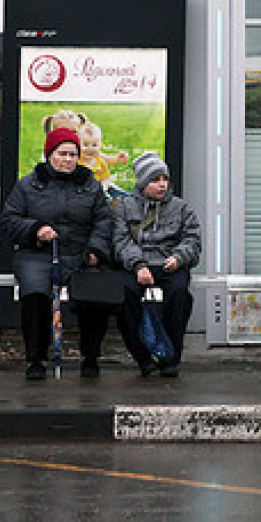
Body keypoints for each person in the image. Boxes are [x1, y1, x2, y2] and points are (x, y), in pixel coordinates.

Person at [0, 127, 119, 379]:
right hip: (38, 254)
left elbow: (104, 221)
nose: (67, 160)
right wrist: (35, 229)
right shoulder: (28, 185)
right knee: (35, 293)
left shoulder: (91, 186)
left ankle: (90, 356)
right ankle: (35, 359)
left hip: (80, 253)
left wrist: (96, 249)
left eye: (73, 154)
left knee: (94, 295)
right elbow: (9, 220)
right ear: (50, 155)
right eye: (62, 153)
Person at [114, 151, 202, 377]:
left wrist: (178, 258)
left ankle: (171, 356)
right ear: (143, 182)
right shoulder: (124, 208)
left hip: (169, 263)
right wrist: (138, 265)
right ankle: (143, 357)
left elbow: (192, 240)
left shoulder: (182, 208)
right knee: (124, 297)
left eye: (165, 179)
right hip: (138, 265)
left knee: (179, 294)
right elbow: (121, 241)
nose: (162, 185)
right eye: (155, 180)